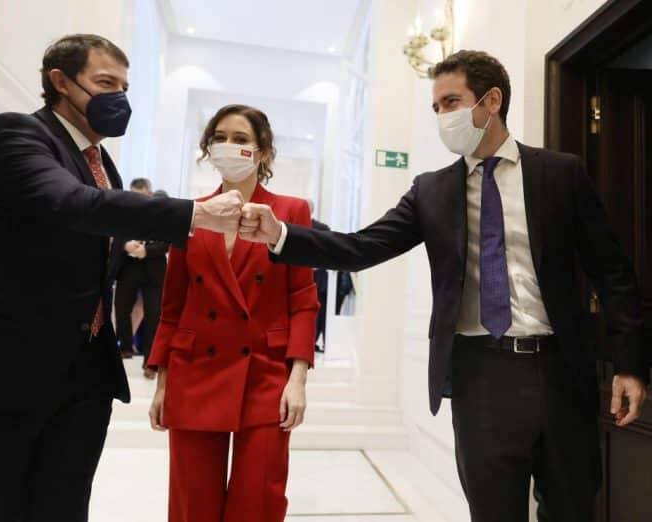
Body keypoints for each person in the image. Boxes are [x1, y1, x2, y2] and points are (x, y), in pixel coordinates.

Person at [240, 50, 649, 522]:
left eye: (451, 102)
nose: (442, 116)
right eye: (436, 107)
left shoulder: (560, 173)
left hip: (562, 369)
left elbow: (612, 270)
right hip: (480, 375)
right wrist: (281, 234)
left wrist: (629, 364)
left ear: (491, 101)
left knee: (572, 508)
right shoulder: (431, 191)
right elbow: (360, 247)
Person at [0, 34, 243, 522]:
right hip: (7, 366)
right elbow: (72, 204)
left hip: (82, 376)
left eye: (125, 87)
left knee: (64, 504)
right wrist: (194, 213)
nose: (119, 98)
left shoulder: (102, 162)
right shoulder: (18, 134)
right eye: (106, 83)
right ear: (61, 82)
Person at [148, 104, 318, 522]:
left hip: (264, 372)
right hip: (194, 372)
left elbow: (302, 298)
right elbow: (172, 306)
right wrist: (163, 382)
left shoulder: (291, 211)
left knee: (258, 501)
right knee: (193, 504)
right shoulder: (191, 213)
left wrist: (297, 379)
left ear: (263, 151)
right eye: (219, 138)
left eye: (240, 139)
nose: (228, 146)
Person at [114, 178, 170, 372]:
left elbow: (166, 242)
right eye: (134, 195)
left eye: (142, 195)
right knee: (121, 309)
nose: (137, 199)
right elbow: (117, 236)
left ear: (149, 193)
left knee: (154, 316)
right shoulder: (124, 213)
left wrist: (147, 250)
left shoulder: (162, 213)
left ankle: (150, 361)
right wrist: (125, 245)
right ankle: (125, 347)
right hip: (129, 267)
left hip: (154, 269)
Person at [306, 198, 330, 352]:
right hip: (299, 277)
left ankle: (313, 341)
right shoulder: (291, 226)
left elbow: (329, 251)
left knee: (320, 312)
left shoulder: (323, 229)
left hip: (319, 279)